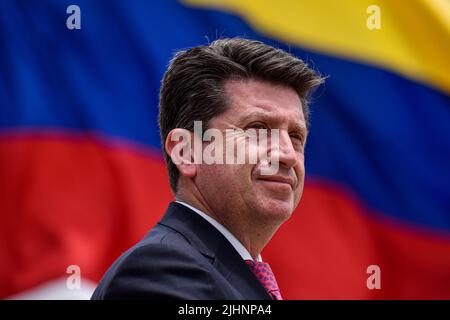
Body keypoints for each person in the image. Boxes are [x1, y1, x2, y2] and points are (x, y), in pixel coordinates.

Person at [91, 38, 323, 300]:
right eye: (258, 128)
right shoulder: (161, 269)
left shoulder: (226, 276)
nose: (287, 154)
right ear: (185, 151)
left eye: (295, 136)